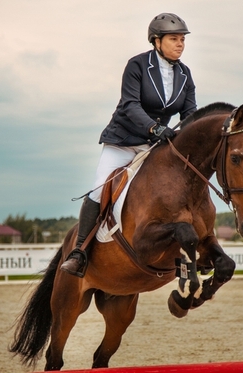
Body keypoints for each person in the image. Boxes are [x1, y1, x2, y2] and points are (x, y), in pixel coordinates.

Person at [60, 13, 197, 277]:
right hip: (122, 141)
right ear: (156, 42)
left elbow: (190, 114)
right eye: (173, 39)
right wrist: (155, 128)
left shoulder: (184, 74)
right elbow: (130, 105)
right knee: (100, 189)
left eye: (182, 39)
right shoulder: (137, 65)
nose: (180, 44)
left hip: (152, 146)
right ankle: (80, 251)